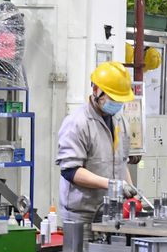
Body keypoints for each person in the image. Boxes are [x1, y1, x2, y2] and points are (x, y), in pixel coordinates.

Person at [55, 60, 137, 225]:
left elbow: (121, 163)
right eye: (113, 97)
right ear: (95, 90)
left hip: (113, 213)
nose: (117, 103)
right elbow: (71, 171)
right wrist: (112, 185)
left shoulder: (120, 121)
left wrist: (131, 191)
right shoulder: (77, 123)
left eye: (121, 99)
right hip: (82, 217)